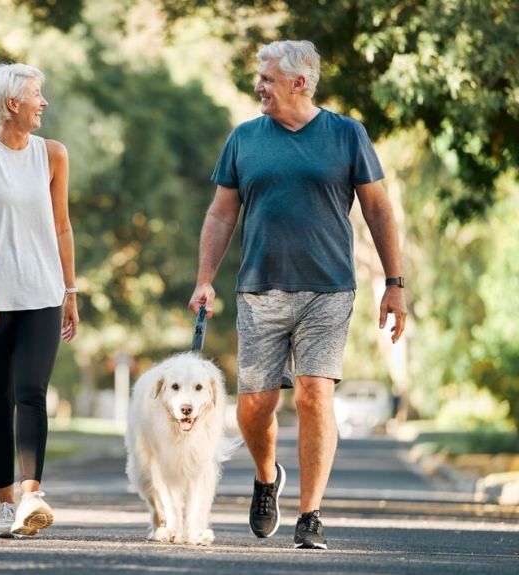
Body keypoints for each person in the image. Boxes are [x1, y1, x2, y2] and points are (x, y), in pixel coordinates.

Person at [188, 40, 406, 550]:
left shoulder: (347, 134)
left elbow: (378, 210)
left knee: (315, 393)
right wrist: (204, 278)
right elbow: (222, 214)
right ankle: (268, 478)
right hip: (259, 288)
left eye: (266, 78)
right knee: (253, 407)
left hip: (328, 288)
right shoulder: (244, 139)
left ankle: (311, 515)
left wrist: (394, 284)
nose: (258, 85)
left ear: (299, 83)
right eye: (259, 77)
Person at [0, 63, 79, 539]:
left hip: (41, 294)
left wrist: (70, 291)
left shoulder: (53, 155)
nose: (43, 102)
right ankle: (6, 505)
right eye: (36, 95)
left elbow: (63, 226)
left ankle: (31, 497)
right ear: (12, 104)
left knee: (31, 393)